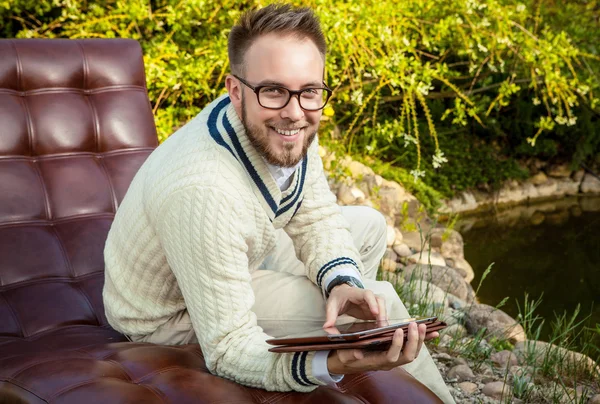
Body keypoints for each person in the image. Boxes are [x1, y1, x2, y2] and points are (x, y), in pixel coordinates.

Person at [103, 3, 454, 402]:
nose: (294, 112)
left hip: (232, 253)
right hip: (171, 314)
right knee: (384, 303)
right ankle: (376, 374)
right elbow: (229, 347)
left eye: (309, 91)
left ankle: (346, 342)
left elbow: (317, 217)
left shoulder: (291, 122)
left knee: (369, 227)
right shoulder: (203, 190)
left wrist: (342, 282)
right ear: (236, 91)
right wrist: (331, 362)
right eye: (272, 90)